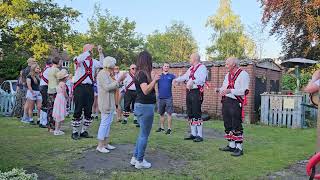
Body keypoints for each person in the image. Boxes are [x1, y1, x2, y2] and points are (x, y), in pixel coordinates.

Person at [130, 51, 160, 169]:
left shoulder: (140, 73)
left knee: (141, 134)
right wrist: (154, 80)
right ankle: (140, 161)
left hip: (142, 106)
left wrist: (153, 79)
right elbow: (146, 90)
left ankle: (135, 157)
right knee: (144, 135)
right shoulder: (142, 74)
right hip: (145, 106)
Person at [215, 57, 250, 157]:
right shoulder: (228, 75)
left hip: (236, 102)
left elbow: (244, 90)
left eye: (227, 64)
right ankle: (231, 145)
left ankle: (239, 148)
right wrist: (219, 89)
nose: (226, 66)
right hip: (226, 100)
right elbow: (225, 87)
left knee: (236, 124)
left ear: (234, 64)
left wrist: (230, 91)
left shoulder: (243, 74)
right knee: (227, 123)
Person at [71, 44, 103, 140]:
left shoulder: (94, 62)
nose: (92, 51)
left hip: (89, 88)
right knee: (78, 109)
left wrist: (100, 53)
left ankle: (84, 131)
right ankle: (75, 132)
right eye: (90, 49)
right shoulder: (78, 58)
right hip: (79, 87)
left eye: (92, 50)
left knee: (89, 110)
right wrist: (87, 51)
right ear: (85, 50)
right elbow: (78, 60)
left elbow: (102, 64)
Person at [173, 53, 207, 142]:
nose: (189, 59)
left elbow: (202, 79)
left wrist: (193, 81)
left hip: (196, 92)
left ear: (195, 59)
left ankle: (199, 135)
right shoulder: (191, 68)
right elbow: (185, 77)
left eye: (190, 58)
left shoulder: (202, 68)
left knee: (196, 112)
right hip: (189, 92)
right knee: (190, 112)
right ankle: (193, 133)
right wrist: (176, 79)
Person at [96, 56, 125, 153]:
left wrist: (120, 82)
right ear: (109, 65)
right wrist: (118, 79)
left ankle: (105, 143)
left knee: (108, 124)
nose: (114, 67)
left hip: (111, 102)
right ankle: (100, 146)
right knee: (104, 123)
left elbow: (114, 85)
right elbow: (107, 87)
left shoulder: (108, 74)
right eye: (113, 65)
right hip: (105, 102)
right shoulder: (102, 74)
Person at [155, 63, 176, 134]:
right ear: (162, 67)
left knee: (169, 114)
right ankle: (162, 128)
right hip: (160, 98)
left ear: (169, 68)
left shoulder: (172, 76)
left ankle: (169, 129)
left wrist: (176, 81)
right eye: (165, 66)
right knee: (161, 114)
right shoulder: (159, 76)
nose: (166, 67)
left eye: (168, 66)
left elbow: (176, 83)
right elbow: (153, 82)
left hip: (169, 98)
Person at [47, 57, 62, 132]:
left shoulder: (50, 69)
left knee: (50, 108)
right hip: (54, 90)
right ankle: (53, 127)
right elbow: (61, 78)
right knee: (54, 109)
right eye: (60, 61)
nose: (61, 63)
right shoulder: (56, 70)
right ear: (58, 62)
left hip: (50, 89)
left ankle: (50, 126)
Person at [52, 69, 69, 136]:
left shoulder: (59, 83)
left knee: (57, 114)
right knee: (59, 114)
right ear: (64, 78)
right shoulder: (63, 84)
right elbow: (64, 92)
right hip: (61, 98)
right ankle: (57, 130)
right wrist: (67, 97)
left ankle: (57, 129)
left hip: (58, 98)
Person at [21, 57, 36, 122]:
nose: (35, 62)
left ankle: (25, 117)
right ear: (30, 62)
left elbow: (22, 79)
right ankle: (25, 117)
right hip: (29, 87)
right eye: (34, 61)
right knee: (28, 103)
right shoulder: (30, 70)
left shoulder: (24, 70)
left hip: (25, 86)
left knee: (27, 102)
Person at [39, 59, 52, 128]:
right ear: (50, 64)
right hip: (45, 87)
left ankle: (41, 121)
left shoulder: (45, 69)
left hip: (42, 86)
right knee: (46, 104)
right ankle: (44, 122)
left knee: (44, 104)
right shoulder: (49, 69)